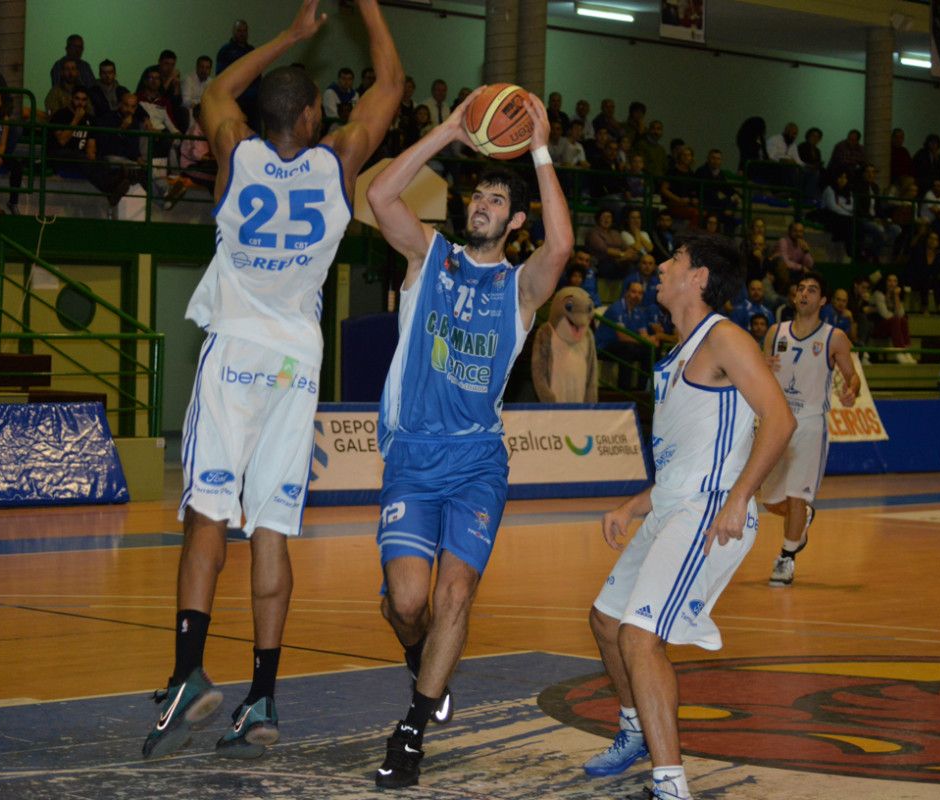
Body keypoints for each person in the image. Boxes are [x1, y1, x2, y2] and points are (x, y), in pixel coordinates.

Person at [141, 0, 402, 761]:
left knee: (206, 517)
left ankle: (190, 672)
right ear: (317, 118)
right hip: (296, 366)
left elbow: (219, 92)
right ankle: (262, 698)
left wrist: (291, 35)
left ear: (265, 117)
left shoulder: (235, 151)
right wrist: (369, 9)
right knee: (273, 530)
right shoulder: (339, 161)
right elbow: (391, 80)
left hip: (233, 356)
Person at [365, 81, 571, 789]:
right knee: (408, 604)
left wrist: (541, 149)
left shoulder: (520, 289)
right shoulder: (429, 258)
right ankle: (421, 660)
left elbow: (565, 243)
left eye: (495, 202)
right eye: (476, 198)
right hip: (412, 457)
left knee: (454, 598)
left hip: (478, 462)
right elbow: (379, 198)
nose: (481, 207)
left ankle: (414, 729)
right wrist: (449, 130)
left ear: (515, 221)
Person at [584, 235, 795, 800]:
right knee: (606, 621)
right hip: (676, 505)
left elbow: (779, 420)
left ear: (698, 277)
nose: (660, 268)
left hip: (710, 512)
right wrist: (632, 506)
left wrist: (739, 496)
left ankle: (671, 784)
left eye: (673, 260)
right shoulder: (676, 355)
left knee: (640, 636)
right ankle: (633, 729)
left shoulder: (724, 336)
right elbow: (682, 463)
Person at [762, 271, 859, 586]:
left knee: (795, 496)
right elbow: (760, 371)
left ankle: (786, 559)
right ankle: (803, 518)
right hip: (776, 422)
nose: (804, 294)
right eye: (800, 289)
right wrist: (764, 366)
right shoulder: (775, 332)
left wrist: (850, 390)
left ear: (823, 300)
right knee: (770, 500)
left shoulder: (834, 337)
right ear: (794, 296)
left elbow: (852, 375)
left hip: (810, 423)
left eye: (812, 290)